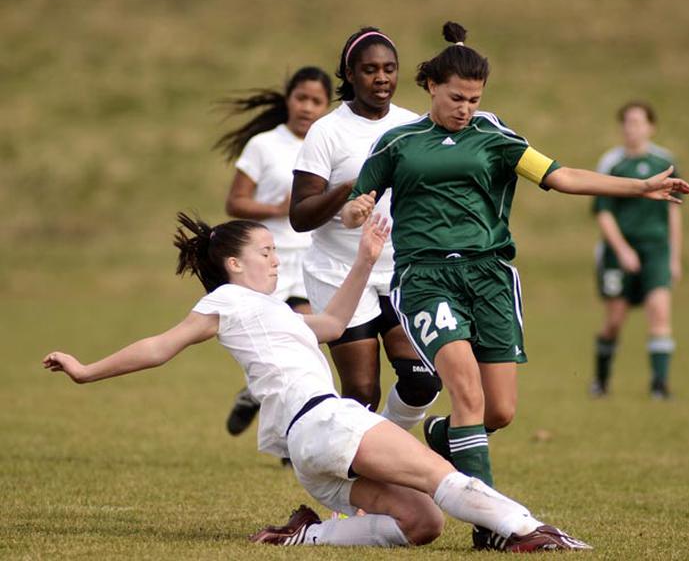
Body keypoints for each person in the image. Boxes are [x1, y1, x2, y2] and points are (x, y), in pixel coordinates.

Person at [41, 213, 591, 552]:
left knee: (421, 523)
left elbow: (330, 325)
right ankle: (530, 531)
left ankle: (306, 535)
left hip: (311, 450)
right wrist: (87, 371)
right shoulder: (227, 300)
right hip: (326, 422)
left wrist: (365, 259)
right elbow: (161, 346)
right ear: (234, 264)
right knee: (441, 474)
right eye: (266, 252)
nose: (276, 261)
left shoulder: (270, 311)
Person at [341, 21, 689, 548]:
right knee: (464, 387)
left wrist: (640, 186)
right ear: (432, 87)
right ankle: (492, 526)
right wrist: (356, 209)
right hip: (426, 277)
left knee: (498, 410)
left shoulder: (496, 137)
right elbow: (354, 206)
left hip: (490, 278)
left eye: (474, 98)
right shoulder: (398, 143)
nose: (465, 106)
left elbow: (562, 175)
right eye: (456, 97)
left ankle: (441, 436)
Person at [289, 27, 441, 432]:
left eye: (389, 69)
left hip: (401, 271)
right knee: (361, 392)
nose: (381, 78)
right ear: (350, 74)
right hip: (340, 272)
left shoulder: (417, 126)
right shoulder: (327, 131)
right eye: (370, 69)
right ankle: (349, 479)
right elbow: (300, 216)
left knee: (423, 380)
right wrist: (347, 189)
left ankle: (382, 451)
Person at [213, 66, 332, 436]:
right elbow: (235, 203)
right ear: (288, 100)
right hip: (267, 260)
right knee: (273, 349)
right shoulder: (264, 145)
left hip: (312, 258)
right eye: (301, 98)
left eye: (317, 101)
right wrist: (278, 209)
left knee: (304, 341)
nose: (307, 107)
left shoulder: (328, 143)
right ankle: (256, 396)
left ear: (328, 106)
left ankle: (285, 432)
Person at [591, 101, 683, 400]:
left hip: (656, 249)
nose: (633, 128)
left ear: (650, 127)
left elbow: (673, 212)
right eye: (628, 122)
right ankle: (601, 380)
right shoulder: (611, 165)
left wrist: (674, 256)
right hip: (619, 252)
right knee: (614, 320)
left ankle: (659, 386)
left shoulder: (664, 162)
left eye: (639, 122)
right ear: (622, 127)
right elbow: (603, 212)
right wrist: (623, 249)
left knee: (659, 312)